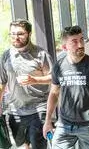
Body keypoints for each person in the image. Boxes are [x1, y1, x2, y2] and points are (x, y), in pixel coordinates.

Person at [43, 25, 89, 148]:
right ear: (65, 47)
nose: (80, 45)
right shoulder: (58, 66)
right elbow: (53, 94)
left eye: (81, 39)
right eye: (74, 42)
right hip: (64, 125)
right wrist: (48, 121)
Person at [0, 19, 52, 149]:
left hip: (39, 109)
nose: (15, 37)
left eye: (20, 34)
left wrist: (34, 80)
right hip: (15, 111)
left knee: (38, 146)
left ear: (29, 34)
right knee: (23, 146)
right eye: (12, 34)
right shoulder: (6, 55)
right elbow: (2, 83)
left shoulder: (41, 54)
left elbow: (54, 78)